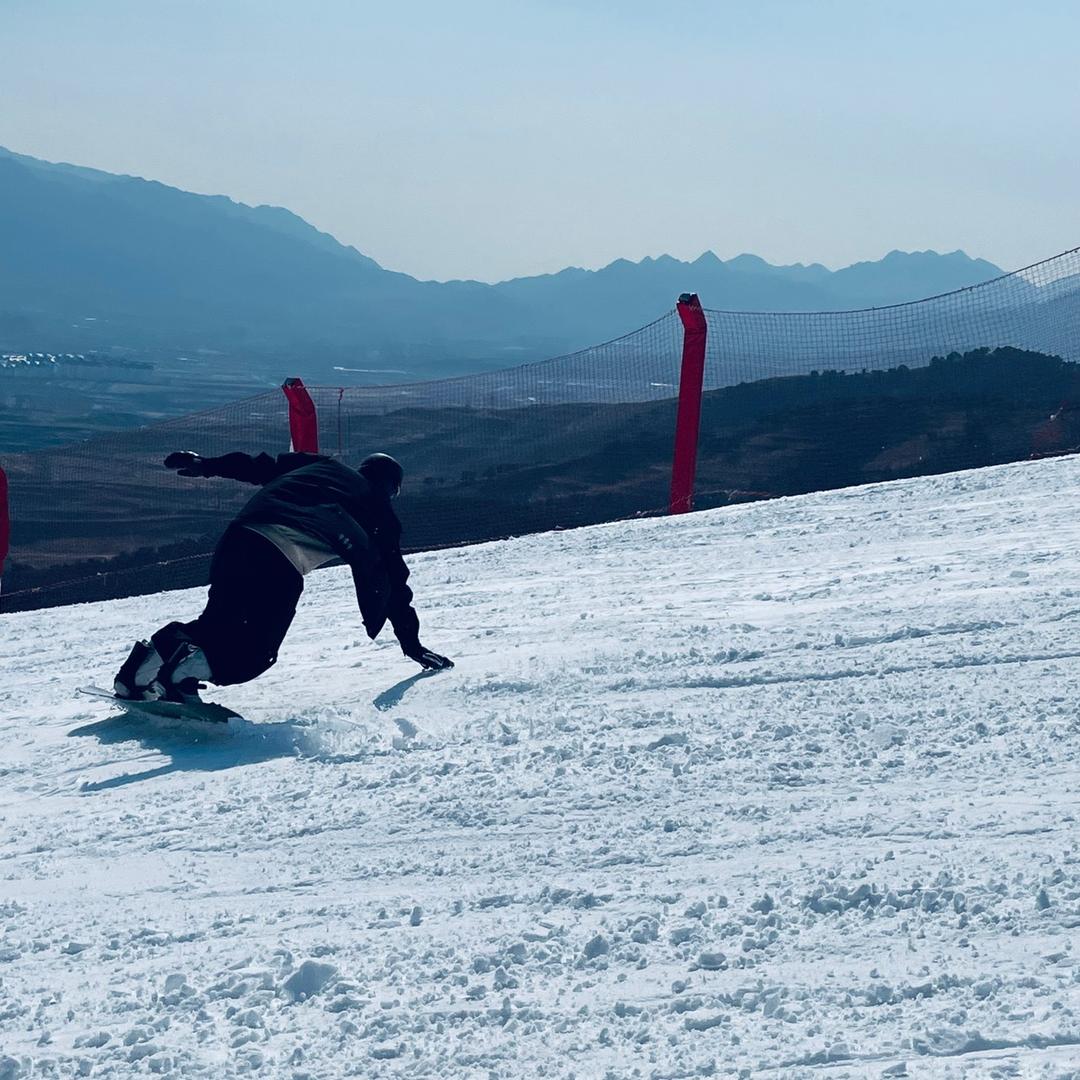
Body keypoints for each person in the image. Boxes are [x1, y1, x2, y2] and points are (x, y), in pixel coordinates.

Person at [114, 450, 453, 704]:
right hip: (280, 559)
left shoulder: (323, 465)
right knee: (257, 652)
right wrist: (412, 645)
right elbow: (395, 584)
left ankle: (135, 675)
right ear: (390, 488)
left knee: (216, 623)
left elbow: (262, 466)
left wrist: (207, 464)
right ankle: (180, 678)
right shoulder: (380, 511)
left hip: (240, 537)